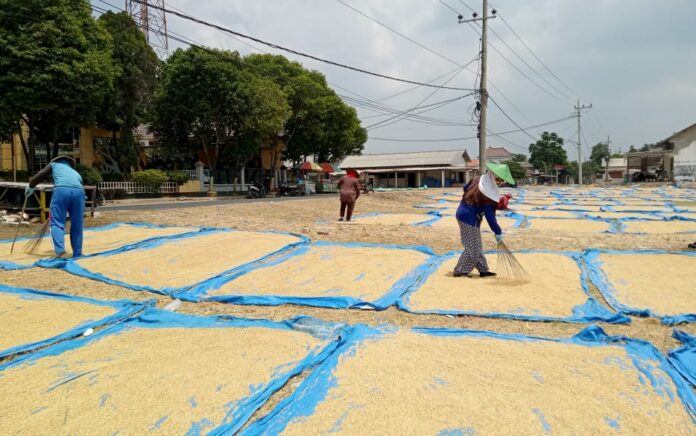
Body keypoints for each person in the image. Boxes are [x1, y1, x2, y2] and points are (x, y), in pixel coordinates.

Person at [26, 156, 85, 258]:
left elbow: (39, 176)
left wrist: (31, 186)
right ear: (69, 164)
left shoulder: (54, 165)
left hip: (62, 191)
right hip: (79, 194)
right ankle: (77, 253)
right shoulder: (75, 173)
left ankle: (60, 252)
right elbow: (79, 186)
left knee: (57, 223)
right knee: (77, 225)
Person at [453, 172, 503, 277]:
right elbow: (490, 218)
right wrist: (498, 232)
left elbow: (465, 188)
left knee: (477, 244)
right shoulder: (487, 196)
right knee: (473, 247)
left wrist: (474, 201)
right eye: (498, 181)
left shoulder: (479, 180)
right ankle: (460, 271)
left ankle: (483, 269)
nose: (500, 183)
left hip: (462, 213)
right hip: (468, 219)